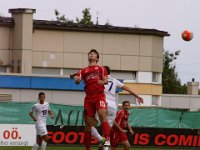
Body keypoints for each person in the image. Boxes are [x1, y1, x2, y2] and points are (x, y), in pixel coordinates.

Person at [91, 66, 143, 149]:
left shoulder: (99, 79)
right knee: (106, 133)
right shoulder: (115, 81)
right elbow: (127, 88)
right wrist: (137, 96)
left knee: (90, 125)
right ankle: (104, 145)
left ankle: (100, 140)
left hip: (102, 103)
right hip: (112, 106)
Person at [70, 49, 110, 150]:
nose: (91, 55)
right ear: (88, 57)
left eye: (93, 54)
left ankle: (107, 141)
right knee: (88, 125)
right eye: (90, 54)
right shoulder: (83, 71)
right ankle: (87, 148)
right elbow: (77, 81)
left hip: (99, 95)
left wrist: (102, 82)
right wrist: (77, 80)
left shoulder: (101, 68)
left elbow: (106, 80)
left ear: (97, 58)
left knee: (102, 113)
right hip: (88, 99)